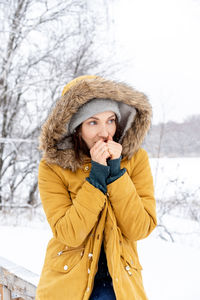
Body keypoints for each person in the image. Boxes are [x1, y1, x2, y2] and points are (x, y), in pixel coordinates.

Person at [36, 75, 157, 300]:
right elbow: (69, 234)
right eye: (93, 122)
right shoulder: (52, 167)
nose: (105, 132)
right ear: (76, 128)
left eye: (110, 120)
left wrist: (116, 173)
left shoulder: (136, 159)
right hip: (66, 284)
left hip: (121, 285)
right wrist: (96, 177)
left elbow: (140, 228)